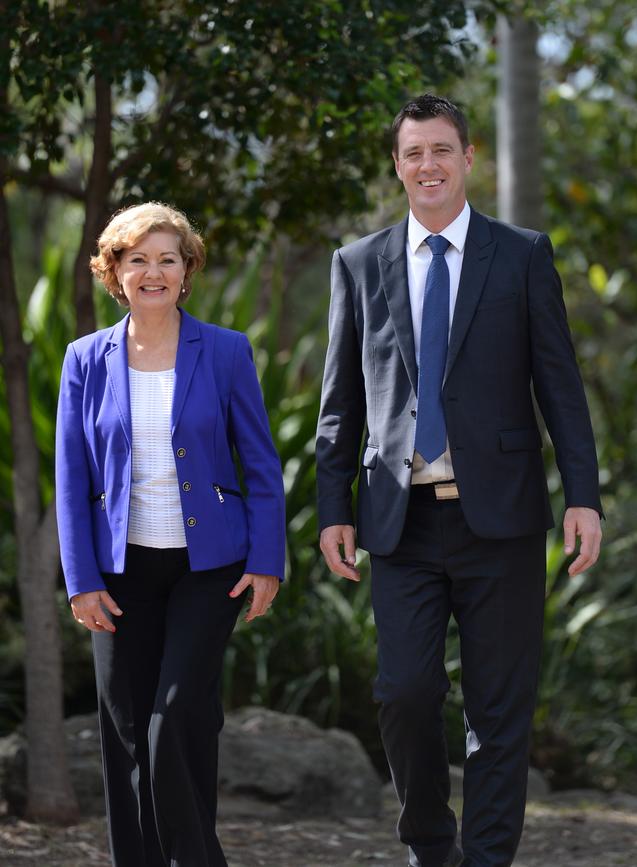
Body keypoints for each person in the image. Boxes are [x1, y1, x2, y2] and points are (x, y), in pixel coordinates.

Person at [316, 95, 602, 867]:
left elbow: (560, 386)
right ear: (398, 164)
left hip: (501, 519)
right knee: (405, 693)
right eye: (413, 153)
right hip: (399, 521)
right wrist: (330, 508)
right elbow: (340, 402)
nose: (428, 166)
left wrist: (583, 495)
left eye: (442, 149)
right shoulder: (359, 263)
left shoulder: (521, 254)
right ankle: (429, 845)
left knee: (498, 713)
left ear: (470, 158)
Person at [56, 202, 285, 867]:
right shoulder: (85, 360)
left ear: (187, 271)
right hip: (118, 574)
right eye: (137, 260)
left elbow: (261, 463)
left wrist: (266, 559)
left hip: (209, 568)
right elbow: (72, 481)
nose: (153, 272)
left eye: (167, 259)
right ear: (114, 273)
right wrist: (82, 581)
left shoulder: (225, 351)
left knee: (176, 718)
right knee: (128, 737)